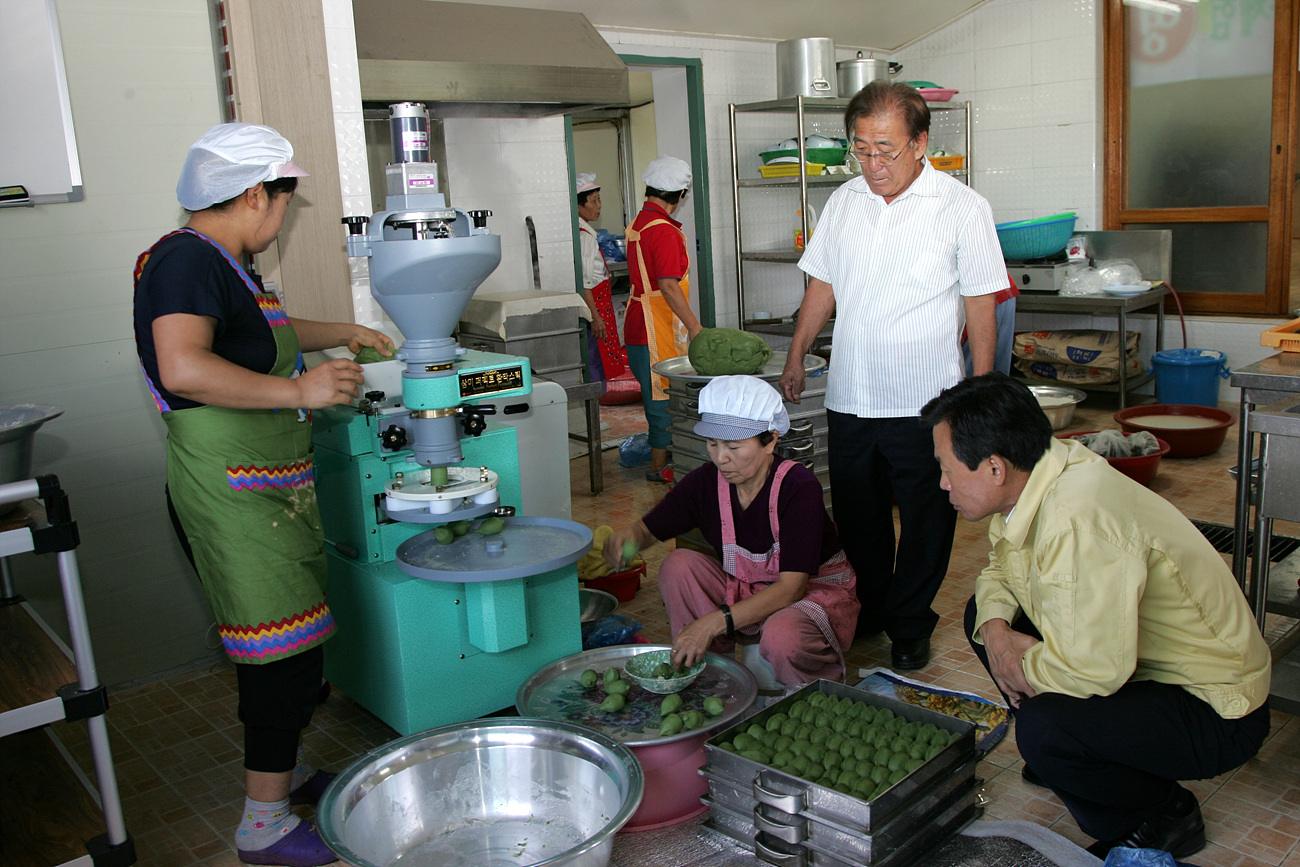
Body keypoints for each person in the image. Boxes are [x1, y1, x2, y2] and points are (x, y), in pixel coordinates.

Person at [133, 122, 394, 867]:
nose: (283, 216)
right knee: (276, 657)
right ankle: (264, 824)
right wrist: (300, 387)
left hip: (266, 487)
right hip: (230, 493)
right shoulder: (184, 261)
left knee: (297, 645)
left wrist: (341, 330)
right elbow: (184, 367)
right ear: (255, 195)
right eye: (284, 200)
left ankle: (283, 773)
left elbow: (257, 333)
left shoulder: (222, 263)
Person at [920, 372, 1271, 860]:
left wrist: (1021, 669)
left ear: (995, 467)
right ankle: (1084, 752)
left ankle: (1163, 814)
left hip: (1216, 709)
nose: (943, 484)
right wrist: (1000, 639)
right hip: (1146, 669)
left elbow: (1096, 670)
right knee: (985, 615)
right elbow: (1002, 567)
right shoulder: (1041, 473)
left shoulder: (1078, 519)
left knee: (1046, 728)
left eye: (948, 469)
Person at [778, 80, 1007, 670]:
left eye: (887, 150)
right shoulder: (844, 202)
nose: (873, 164)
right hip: (851, 395)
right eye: (862, 149)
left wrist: (977, 395)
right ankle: (874, 607)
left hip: (928, 402)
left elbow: (982, 302)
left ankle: (909, 624)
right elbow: (822, 285)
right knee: (859, 516)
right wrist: (796, 353)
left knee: (928, 517)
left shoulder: (961, 207)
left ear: (921, 142)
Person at [604, 376, 860, 688]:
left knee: (783, 636)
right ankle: (711, 678)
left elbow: (791, 589)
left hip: (809, 594)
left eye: (734, 446)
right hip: (746, 590)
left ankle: (817, 694)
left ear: (770, 441)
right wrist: (630, 537)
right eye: (713, 444)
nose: (721, 457)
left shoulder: (798, 488)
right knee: (679, 565)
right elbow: (649, 528)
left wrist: (713, 622)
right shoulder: (706, 482)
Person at [624, 155, 704, 483]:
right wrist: (695, 326)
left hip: (638, 320)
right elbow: (669, 286)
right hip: (654, 326)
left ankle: (664, 456)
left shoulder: (640, 222)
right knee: (662, 395)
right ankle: (659, 467)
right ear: (680, 195)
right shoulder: (664, 231)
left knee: (657, 392)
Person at [576, 172, 628, 388]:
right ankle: (595, 416)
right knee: (596, 361)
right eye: (593, 200)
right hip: (595, 307)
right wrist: (595, 318)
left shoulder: (583, 231)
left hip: (597, 306)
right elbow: (585, 283)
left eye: (599, 199)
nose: (599, 205)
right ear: (579, 205)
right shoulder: (585, 237)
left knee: (597, 359)